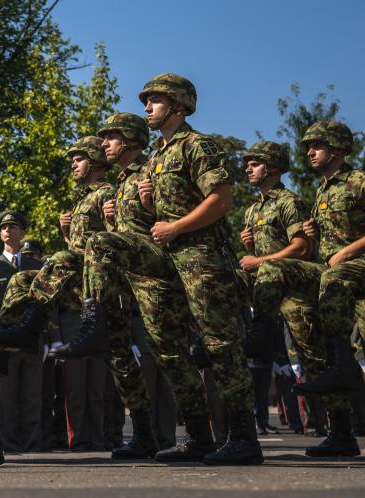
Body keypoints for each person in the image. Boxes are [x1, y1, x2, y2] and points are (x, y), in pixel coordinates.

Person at [61, 75, 263, 465]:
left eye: (154, 100)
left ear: (179, 105)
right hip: (165, 260)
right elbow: (154, 217)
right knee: (167, 349)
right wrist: (138, 206)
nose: (147, 107)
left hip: (202, 258)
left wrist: (176, 226)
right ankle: (199, 437)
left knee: (220, 347)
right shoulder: (155, 158)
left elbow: (221, 200)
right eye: (147, 101)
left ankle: (243, 437)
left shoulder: (197, 145)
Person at [255, 121, 365, 457]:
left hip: (354, 267)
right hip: (332, 274)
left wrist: (347, 251)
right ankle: (341, 432)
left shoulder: (360, 181)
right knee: (274, 271)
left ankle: (342, 363)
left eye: (316, 146)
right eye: (307, 146)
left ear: (337, 148)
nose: (309, 152)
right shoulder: (322, 189)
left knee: (332, 280)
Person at [236, 141, 312, 435]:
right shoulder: (253, 209)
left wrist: (259, 259)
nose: (247, 168)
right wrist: (249, 248)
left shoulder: (289, 202)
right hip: (265, 293)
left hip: (291, 291)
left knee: (309, 362)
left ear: (273, 167)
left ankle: (340, 430)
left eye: (254, 163)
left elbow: (302, 247)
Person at [0, 209, 44, 451]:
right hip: (4, 340)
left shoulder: (35, 266)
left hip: (31, 339)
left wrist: (47, 338)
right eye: (4, 227)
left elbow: (44, 303)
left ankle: (32, 442)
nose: (8, 230)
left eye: (13, 226)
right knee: (5, 397)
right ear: (0, 234)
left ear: (22, 232)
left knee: (32, 395)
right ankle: (10, 443)